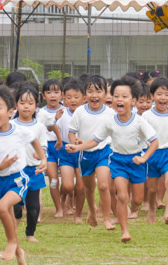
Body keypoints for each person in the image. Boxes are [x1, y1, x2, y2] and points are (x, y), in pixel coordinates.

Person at [69, 79, 158, 243]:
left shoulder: (139, 121)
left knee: (136, 200)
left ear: (133, 102)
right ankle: (124, 230)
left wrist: (144, 157)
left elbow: (154, 141)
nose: (119, 99)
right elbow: (95, 140)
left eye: (124, 96)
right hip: (117, 161)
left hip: (136, 161)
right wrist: (77, 148)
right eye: (116, 96)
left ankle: (134, 208)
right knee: (122, 196)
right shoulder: (109, 121)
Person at [0, 86, 44, 265]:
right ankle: (20, 256)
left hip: (17, 179)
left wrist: (43, 158)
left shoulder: (19, 130)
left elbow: (34, 139)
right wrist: (0, 166)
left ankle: (11, 242)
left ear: (10, 111)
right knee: (4, 213)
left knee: (1, 208)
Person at [68, 75, 115, 230]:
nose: (94, 95)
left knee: (103, 185)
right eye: (90, 91)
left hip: (104, 151)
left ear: (105, 95)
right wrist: (75, 141)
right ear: (85, 95)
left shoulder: (110, 113)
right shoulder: (80, 112)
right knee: (88, 188)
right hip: (85, 154)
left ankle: (107, 218)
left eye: (98, 91)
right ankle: (92, 211)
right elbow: (71, 133)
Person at [12, 83, 48, 242]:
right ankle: (12, 232)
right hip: (16, 171)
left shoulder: (39, 127)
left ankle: (30, 233)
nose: (26, 107)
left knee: (33, 207)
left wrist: (40, 155)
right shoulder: (11, 125)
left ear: (36, 106)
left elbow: (44, 146)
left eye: (30, 103)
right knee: (17, 204)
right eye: (22, 103)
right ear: (16, 104)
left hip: (34, 171)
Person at [143, 77, 168, 225]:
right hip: (151, 154)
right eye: (159, 94)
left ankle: (167, 214)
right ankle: (152, 210)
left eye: (166, 94)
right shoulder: (146, 116)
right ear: (152, 96)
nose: (162, 98)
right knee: (152, 189)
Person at [56, 78, 84, 223]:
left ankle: (77, 210)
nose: (72, 100)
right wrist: (54, 120)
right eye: (69, 97)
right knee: (67, 185)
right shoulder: (61, 113)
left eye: (76, 97)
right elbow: (51, 128)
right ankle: (64, 198)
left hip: (82, 152)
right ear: (64, 98)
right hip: (66, 151)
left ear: (84, 98)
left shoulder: (86, 113)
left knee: (80, 185)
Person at [38, 79, 64, 215]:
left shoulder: (67, 110)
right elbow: (45, 128)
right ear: (43, 96)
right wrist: (55, 118)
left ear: (62, 94)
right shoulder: (41, 113)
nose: (53, 95)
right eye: (49, 92)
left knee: (67, 182)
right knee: (53, 180)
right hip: (48, 147)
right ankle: (59, 208)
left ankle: (67, 202)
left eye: (56, 92)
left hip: (65, 147)